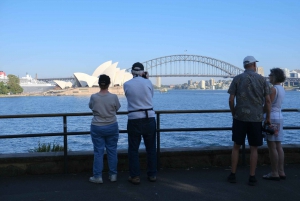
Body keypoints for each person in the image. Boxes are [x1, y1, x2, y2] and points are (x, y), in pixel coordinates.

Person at [227, 56, 271, 186]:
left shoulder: (237, 78)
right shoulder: (263, 80)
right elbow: (268, 101)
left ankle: (233, 175)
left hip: (239, 118)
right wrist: (267, 117)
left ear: (244, 65)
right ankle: (252, 176)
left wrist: (234, 112)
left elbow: (230, 100)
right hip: (256, 119)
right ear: (254, 65)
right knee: (254, 148)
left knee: (236, 147)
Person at [123, 62, 157, 185]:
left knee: (133, 149)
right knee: (151, 148)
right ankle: (152, 174)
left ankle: (135, 176)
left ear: (132, 72)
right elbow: (150, 96)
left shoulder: (126, 84)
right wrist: (146, 78)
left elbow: (129, 96)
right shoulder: (148, 82)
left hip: (133, 119)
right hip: (149, 117)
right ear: (143, 72)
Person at [88, 74, 121, 184]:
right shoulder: (114, 97)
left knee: (98, 151)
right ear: (109, 84)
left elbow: (91, 107)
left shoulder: (94, 97)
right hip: (112, 125)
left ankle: (97, 176)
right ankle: (113, 175)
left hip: (97, 126)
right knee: (112, 150)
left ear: (98, 84)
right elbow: (117, 108)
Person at [262, 68, 286, 181]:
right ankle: (281, 171)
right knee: (279, 146)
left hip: (272, 119)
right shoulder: (282, 88)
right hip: (280, 118)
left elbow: (268, 104)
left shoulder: (273, 89)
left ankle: (274, 172)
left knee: (272, 147)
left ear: (274, 76)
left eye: (270, 74)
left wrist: (264, 115)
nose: (269, 76)